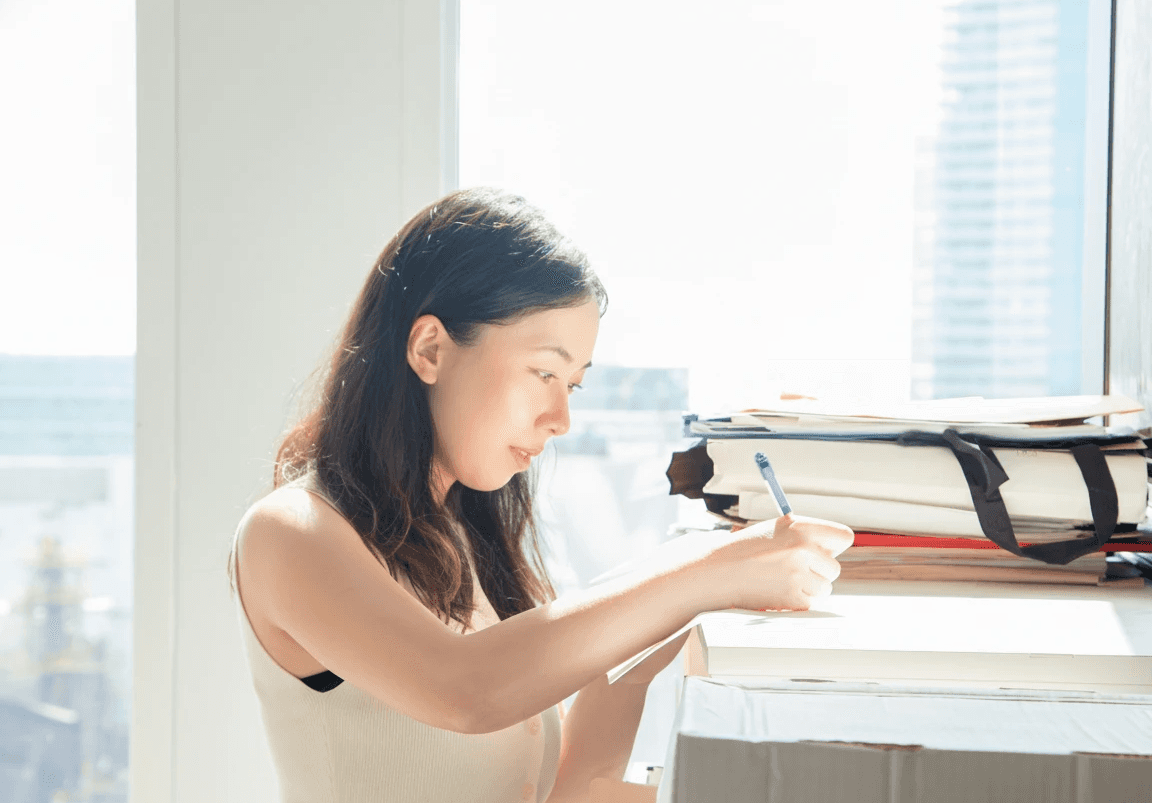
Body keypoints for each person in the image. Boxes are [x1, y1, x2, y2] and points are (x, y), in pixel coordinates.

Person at [228, 187, 854, 803]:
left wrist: (639, 654)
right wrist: (701, 575)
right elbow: (464, 690)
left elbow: (559, 793)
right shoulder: (289, 533)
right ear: (430, 349)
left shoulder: (471, 543)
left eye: (574, 385)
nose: (561, 418)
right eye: (544, 373)